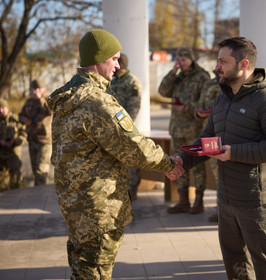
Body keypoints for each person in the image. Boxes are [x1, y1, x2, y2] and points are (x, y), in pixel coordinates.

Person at [46, 29, 183, 280]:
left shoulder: (68, 96)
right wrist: (168, 163)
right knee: (94, 273)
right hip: (99, 208)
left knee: (82, 271)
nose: (118, 66)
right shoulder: (97, 101)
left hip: (75, 203)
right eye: (114, 59)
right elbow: (133, 147)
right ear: (99, 59)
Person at [167, 36, 266, 279]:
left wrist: (234, 153)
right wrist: (184, 161)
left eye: (223, 62)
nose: (217, 67)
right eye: (218, 61)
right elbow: (208, 137)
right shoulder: (222, 97)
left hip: (256, 202)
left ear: (243, 64)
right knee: (235, 265)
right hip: (226, 199)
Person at [158, 46, 210, 214]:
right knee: (178, 163)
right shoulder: (178, 77)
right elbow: (163, 91)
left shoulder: (203, 77)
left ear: (191, 60)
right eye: (178, 60)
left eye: (184, 60)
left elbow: (204, 105)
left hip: (194, 129)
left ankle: (199, 201)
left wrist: (185, 108)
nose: (181, 63)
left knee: (196, 166)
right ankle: (183, 201)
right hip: (176, 129)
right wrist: (172, 73)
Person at [110, 53, 142, 200]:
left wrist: (123, 127)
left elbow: (134, 108)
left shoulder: (132, 82)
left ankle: (132, 189)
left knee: (130, 161)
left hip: (126, 129)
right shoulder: (112, 82)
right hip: (112, 129)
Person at [196, 70, 221, 222]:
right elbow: (199, 104)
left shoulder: (233, 84)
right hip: (210, 135)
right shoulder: (209, 83)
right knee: (216, 171)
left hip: (225, 135)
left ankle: (225, 209)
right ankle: (220, 209)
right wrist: (199, 113)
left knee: (225, 173)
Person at [0, 99, 27, 191]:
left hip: (14, 158)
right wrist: (0, 143)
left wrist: (14, 141)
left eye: (3, 107)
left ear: (7, 108)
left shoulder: (16, 121)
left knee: (16, 185)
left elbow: (24, 136)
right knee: (2, 187)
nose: (1, 110)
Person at [19, 79, 53, 186]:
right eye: (33, 89)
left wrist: (41, 100)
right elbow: (20, 115)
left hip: (45, 141)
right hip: (32, 139)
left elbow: (50, 111)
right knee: (35, 170)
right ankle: (39, 195)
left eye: (38, 88)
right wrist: (24, 120)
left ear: (43, 89)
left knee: (41, 170)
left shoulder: (49, 99)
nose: (35, 91)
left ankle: (41, 196)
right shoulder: (29, 102)